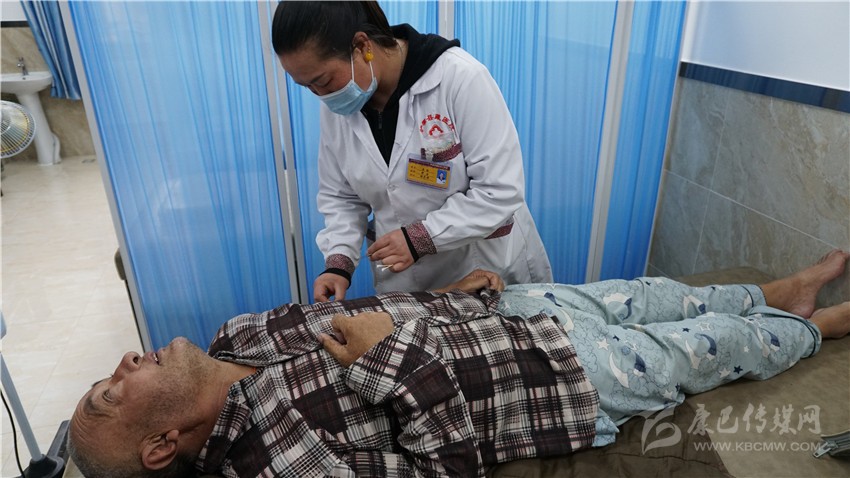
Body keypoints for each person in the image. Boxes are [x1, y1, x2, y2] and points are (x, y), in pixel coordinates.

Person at [67, 250, 850, 477]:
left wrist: (445, 297)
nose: (127, 360)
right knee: (712, 348)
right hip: (552, 378)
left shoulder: (235, 334)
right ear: (160, 446)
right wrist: (395, 360)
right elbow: (443, 468)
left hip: (504, 309)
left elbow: (368, 312)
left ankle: (780, 291)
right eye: (113, 391)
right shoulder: (278, 462)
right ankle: (820, 327)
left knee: (660, 294)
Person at [271, 1, 552, 302]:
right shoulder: (339, 106)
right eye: (307, 87)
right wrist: (338, 265)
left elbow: (500, 191)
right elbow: (342, 197)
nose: (321, 95)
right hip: (407, 282)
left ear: (361, 46)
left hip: (485, 267)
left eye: (323, 81)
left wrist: (420, 238)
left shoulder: (459, 78)